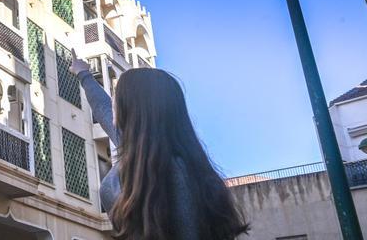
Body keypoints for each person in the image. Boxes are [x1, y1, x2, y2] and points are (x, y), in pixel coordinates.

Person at [70, 53, 249, 239]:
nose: (113, 100)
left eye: (117, 94)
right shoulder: (141, 154)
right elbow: (103, 109)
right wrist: (84, 74)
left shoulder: (176, 173)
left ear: (134, 108)